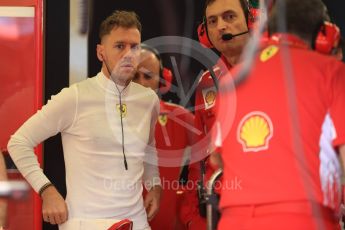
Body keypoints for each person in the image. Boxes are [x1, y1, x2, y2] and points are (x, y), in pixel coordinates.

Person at [7, 10, 161, 230]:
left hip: (137, 222)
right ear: (101, 52)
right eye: (119, 46)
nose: (128, 54)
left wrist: (154, 184)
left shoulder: (148, 100)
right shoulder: (75, 97)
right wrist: (46, 190)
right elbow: (18, 142)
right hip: (85, 223)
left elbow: (149, 147)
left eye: (134, 46)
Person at [213, 0, 345, 229]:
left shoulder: (230, 81)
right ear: (325, 35)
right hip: (303, 218)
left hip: (234, 221)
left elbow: (216, 159)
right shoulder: (332, 72)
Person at [179, 0, 252, 229]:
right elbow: (198, 157)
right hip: (219, 211)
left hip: (266, 206)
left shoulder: (275, 68)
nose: (221, 26)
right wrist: (192, 216)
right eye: (213, 21)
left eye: (229, 17)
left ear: (251, 21)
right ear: (205, 33)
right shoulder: (206, 83)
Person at [133, 44, 196, 230]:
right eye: (135, 76)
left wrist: (190, 207)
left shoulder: (181, 118)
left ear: (163, 80)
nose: (141, 83)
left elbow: (212, 159)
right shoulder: (107, 119)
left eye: (148, 76)